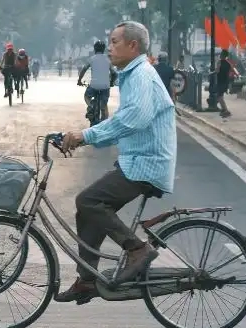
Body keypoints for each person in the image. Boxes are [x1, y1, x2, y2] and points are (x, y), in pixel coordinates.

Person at [55, 21, 177, 304]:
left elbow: (133, 119)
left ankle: (137, 249)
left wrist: (86, 135)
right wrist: (83, 136)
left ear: (132, 46)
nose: (109, 47)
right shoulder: (130, 75)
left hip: (147, 163)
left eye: (114, 42)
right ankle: (87, 279)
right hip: (135, 160)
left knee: (89, 201)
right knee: (87, 210)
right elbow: (121, 123)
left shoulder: (142, 76)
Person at [77, 40, 117, 120]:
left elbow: (84, 69)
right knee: (104, 106)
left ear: (95, 49)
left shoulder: (92, 59)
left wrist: (79, 80)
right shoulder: (108, 59)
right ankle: (104, 123)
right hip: (105, 86)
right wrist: (111, 82)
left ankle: (91, 106)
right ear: (103, 49)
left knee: (86, 96)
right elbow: (114, 73)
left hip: (94, 85)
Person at [213, 50, 233, 118]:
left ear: (222, 55)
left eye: (221, 54)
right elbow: (231, 71)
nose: (220, 55)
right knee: (220, 96)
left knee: (219, 97)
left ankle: (226, 110)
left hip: (220, 81)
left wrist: (214, 71)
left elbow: (217, 70)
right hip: (225, 81)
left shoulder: (219, 62)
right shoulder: (228, 63)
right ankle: (223, 110)